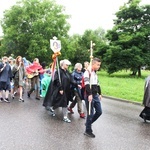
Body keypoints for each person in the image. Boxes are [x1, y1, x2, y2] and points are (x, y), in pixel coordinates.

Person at [84, 57, 102, 138]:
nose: (99, 66)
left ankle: (88, 123)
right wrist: (89, 94)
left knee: (99, 111)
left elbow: (97, 84)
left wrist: (100, 93)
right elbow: (87, 84)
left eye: (99, 65)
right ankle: (88, 130)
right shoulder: (87, 72)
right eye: (98, 65)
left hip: (95, 95)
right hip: (89, 95)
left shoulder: (95, 73)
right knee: (90, 113)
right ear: (93, 64)